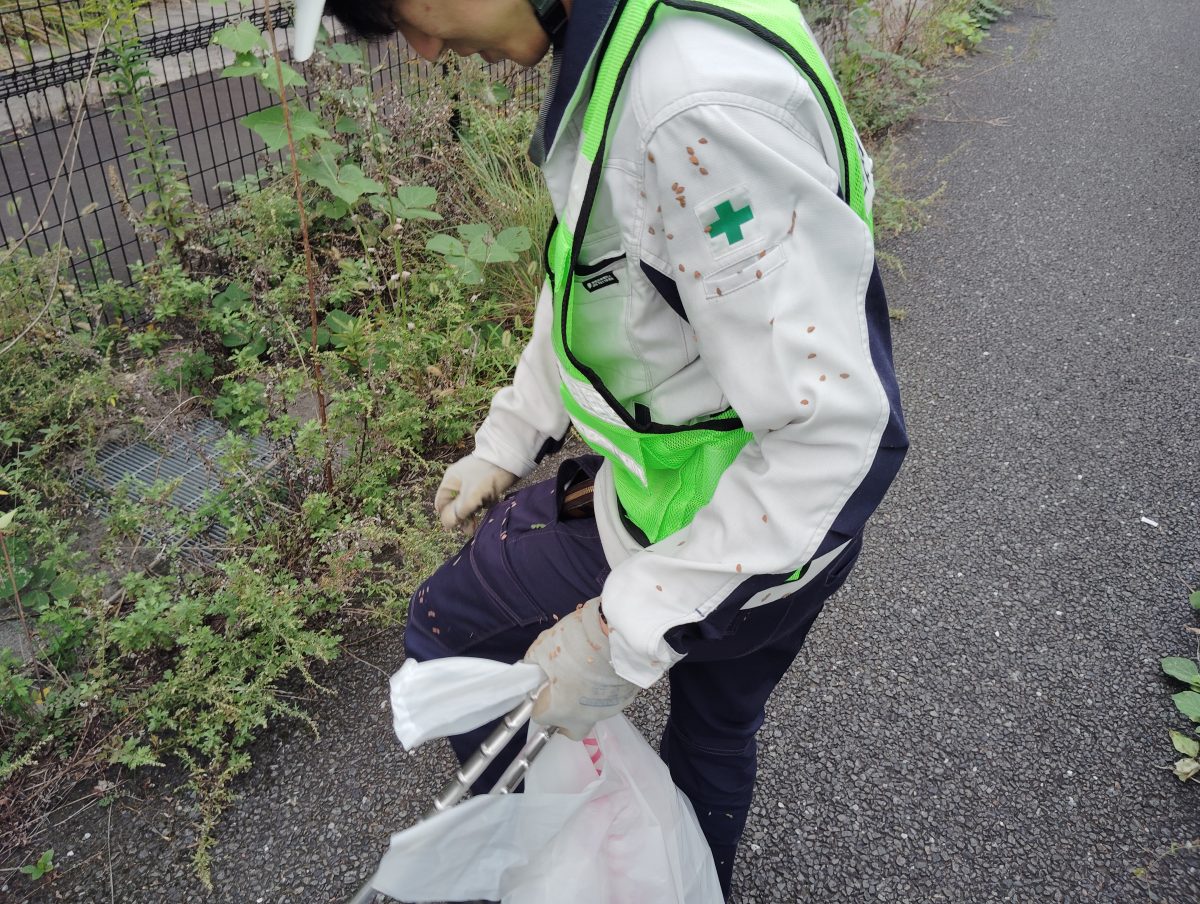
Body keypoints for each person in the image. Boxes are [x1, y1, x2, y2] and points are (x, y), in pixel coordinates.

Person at [294, 0, 908, 896]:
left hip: (727, 524)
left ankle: (532, 862)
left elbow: (837, 432)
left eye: (405, 7)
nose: (424, 49)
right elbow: (604, 275)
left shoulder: (686, 108)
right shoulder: (633, 40)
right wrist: (509, 436)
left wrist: (622, 632)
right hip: (784, 551)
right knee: (716, 728)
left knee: (450, 629)